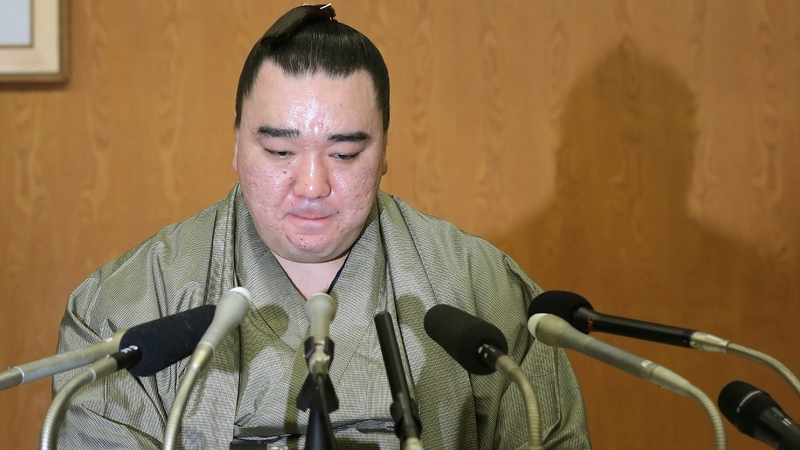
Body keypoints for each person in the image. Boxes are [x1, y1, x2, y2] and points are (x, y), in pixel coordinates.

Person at [53, 5, 592, 449]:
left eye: (345, 152)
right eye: (280, 150)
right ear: (237, 144)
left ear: (384, 150)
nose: (311, 185)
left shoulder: (485, 293)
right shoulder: (125, 310)